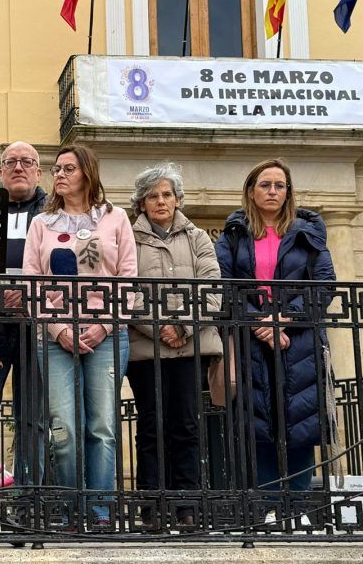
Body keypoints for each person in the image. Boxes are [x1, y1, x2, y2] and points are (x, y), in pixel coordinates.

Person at [22, 144, 135, 523]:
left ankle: (100, 511)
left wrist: (103, 326)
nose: (59, 174)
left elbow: (128, 279)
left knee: (102, 427)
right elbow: (32, 284)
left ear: (88, 173)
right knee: (64, 428)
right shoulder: (42, 224)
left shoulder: (115, 218)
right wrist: (58, 329)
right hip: (55, 339)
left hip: (107, 336)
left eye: (68, 168)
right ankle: (73, 511)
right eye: (57, 168)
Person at [214, 158, 336, 496]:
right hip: (251, 339)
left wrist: (284, 319)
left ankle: (298, 504)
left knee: (300, 421)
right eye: (265, 185)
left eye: (279, 186)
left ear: (288, 192)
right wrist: (260, 322)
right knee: (258, 424)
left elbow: (324, 285)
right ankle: (267, 505)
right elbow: (223, 285)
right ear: (251, 192)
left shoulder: (308, 233)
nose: (272, 191)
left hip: (299, 339)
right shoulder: (234, 234)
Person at [126, 162, 222, 526]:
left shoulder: (198, 238)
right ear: (142, 203)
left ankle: (187, 507)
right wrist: (159, 328)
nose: (161, 201)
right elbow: (127, 290)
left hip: (189, 347)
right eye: (152, 196)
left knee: (186, 425)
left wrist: (182, 327)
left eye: (167, 194)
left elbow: (211, 289)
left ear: (178, 199)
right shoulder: (129, 238)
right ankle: (150, 507)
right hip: (145, 349)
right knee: (150, 426)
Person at [0, 141, 47, 491]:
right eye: (11, 162)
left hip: (37, 325)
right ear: (0, 172)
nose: (18, 167)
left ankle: (30, 499)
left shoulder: (53, 212)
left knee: (33, 417)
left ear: (38, 172)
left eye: (26, 162)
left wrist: (29, 294)